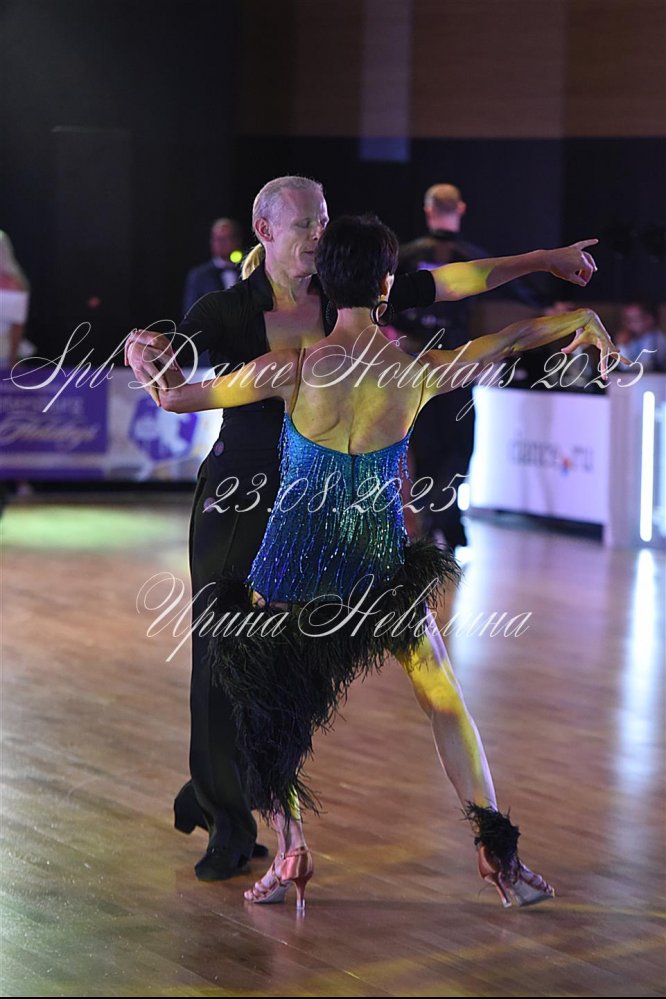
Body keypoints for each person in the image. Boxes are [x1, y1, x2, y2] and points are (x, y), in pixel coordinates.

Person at [125, 174, 602, 884]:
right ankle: (492, 841)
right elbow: (508, 338)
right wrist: (575, 318)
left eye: (321, 225)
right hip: (348, 549)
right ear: (384, 286)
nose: (315, 232)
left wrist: (147, 363)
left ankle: (290, 843)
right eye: (304, 223)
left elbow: (175, 397)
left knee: (265, 696)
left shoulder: (290, 368)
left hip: (292, 558)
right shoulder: (411, 368)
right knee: (436, 696)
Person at [394, 183, 543, 551]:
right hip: (456, 365)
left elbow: (382, 302)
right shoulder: (471, 258)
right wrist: (548, 308)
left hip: (418, 367)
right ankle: (443, 519)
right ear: (460, 209)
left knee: (427, 445)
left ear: (428, 210)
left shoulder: (406, 258)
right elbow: (521, 291)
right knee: (458, 443)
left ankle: (437, 519)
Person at [182, 218, 243, 315]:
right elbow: (190, 313)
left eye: (226, 239)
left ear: (237, 240)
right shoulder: (199, 275)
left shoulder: (248, 270)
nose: (222, 244)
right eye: (218, 239)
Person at [616, 301, 666, 373]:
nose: (629, 324)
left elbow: (646, 365)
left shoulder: (657, 339)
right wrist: (622, 346)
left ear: (649, 319)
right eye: (627, 319)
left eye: (635, 319)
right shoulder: (626, 337)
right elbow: (623, 366)